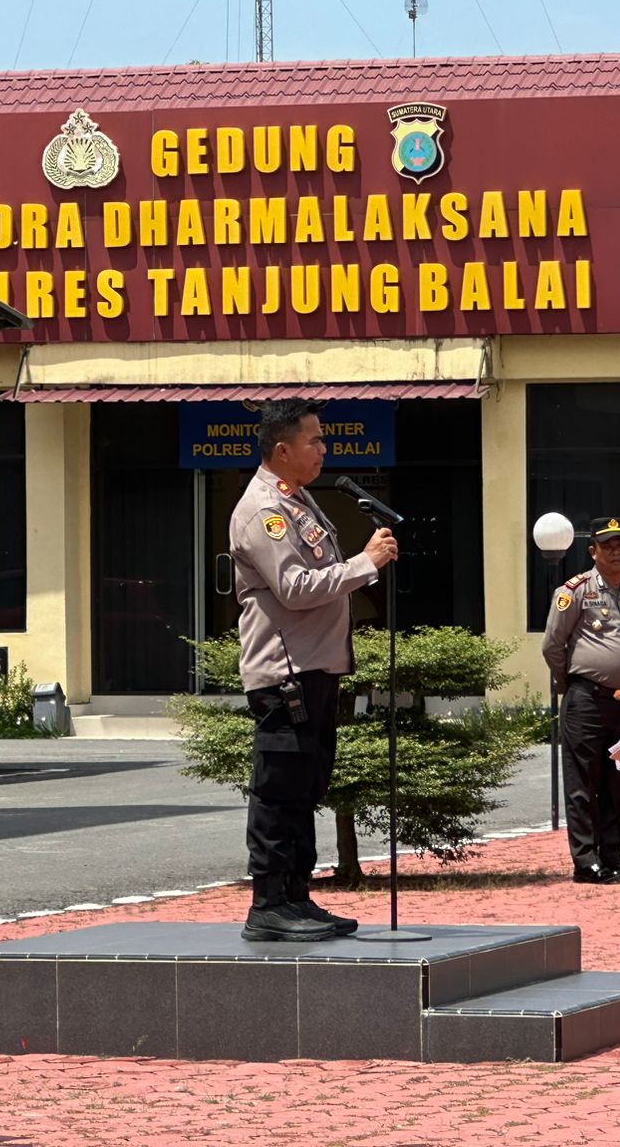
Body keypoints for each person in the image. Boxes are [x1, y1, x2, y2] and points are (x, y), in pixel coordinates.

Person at [229, 399, 398, 941]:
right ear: (283, 450)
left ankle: (296, 897)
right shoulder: (264, 510)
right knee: (279, 790)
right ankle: (269, 903)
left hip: (315, 669)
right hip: (285, 673)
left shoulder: (297, 501)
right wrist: (364, 564)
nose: (324, 448)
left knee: (305, 786)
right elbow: (296, 587)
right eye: (315, 440)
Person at [543, 516, 620, 884]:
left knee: (619, 779)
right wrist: (574, 685)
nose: (616, 551)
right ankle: (586, 861)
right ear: (593, 550)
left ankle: (613, 856)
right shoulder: (576, 590)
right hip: (587, 699)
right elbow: (553, 646)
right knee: (583, 783)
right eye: (608, 545)